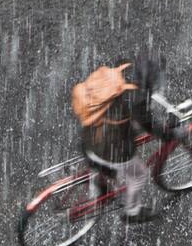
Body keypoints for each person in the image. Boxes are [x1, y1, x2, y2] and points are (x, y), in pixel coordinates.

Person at [74, 55, 173, 221]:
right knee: (139, 175)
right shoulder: (137, 99)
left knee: (110, 151)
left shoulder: (119, 75)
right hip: (107, 150)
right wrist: (169, 134)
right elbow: (149, 125)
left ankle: (99, 182)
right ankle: (132, 212)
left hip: (88, 139)